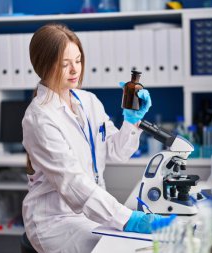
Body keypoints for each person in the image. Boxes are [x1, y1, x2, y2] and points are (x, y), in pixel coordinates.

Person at [22, 23, 164, 253]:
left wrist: (131, 121)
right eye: (64, 64)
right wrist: (128, 219)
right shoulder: (39, 118)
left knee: (140, 245)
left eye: (77, 61)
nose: (75, 70)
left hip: (91, 213)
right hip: (56, 222)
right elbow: (73, 183)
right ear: (44, 67)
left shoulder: (87, 101)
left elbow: (116, 152)